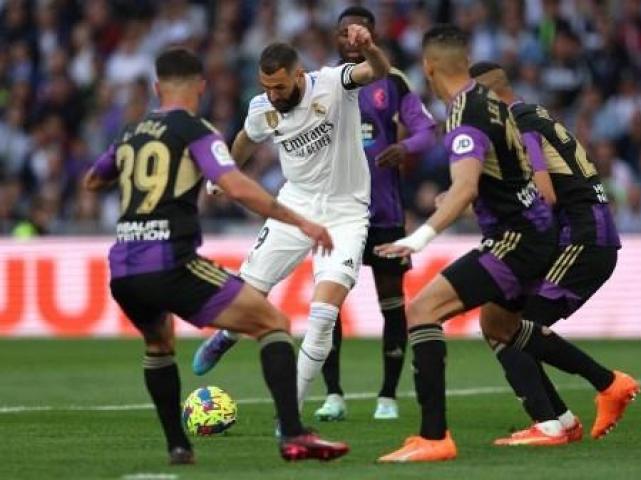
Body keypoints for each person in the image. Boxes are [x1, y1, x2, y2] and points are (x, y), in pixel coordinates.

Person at [375, 25, 637, 463]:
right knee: (500, 324)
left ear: (429, 67)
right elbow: (497, 184)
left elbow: (530, 192)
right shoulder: (503, 110)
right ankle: (596, 392)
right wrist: (464, 197)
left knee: (436, 312)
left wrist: (422, 233)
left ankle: (442, 436)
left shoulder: (478, 114)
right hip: (547, 233)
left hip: (552, 236)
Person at [83, 47, 349, 465]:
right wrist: (302, 222)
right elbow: (237, 186)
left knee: (159, 345)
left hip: (123, 268)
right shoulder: (195, 129)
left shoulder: (132, 131)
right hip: (170, 259)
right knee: (273, 322)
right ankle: (293, 435)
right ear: (200, 87)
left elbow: (93, 180)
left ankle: (178, 446)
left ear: (157, 87)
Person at [191, 26, 391, 416]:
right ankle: (227, 335)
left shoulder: (333, 83)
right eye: (267, 86)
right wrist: (225, 172)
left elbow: (378, 72)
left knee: (321, 318)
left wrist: (370, 48)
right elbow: (247, 140)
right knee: (246, 298)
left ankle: (290, 417)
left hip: (346, 214)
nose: (273, 95)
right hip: (294, 209)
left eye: (279, 87)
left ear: (299, 75)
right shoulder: (262, 108)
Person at [470, 62, 638, 445]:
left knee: (514, 327)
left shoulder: (521, 123)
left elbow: (543, 193)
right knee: (495, 320)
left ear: (489, 96)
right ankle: (559, 420)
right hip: (580, 232)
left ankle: (601, 389)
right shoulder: (536, 115)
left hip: (582, 235)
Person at [315, 6, 437, 422]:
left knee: (392, 306)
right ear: (335, 38)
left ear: (372, 37)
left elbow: (426, 130)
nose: (352, 40)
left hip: (384, 213)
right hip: (336, 214)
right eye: (345, 33)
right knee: (328, 306)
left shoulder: (393, 81)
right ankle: (334, 394)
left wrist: (406, 148)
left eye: (360, 33)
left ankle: (388, 395)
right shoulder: (320, 82)